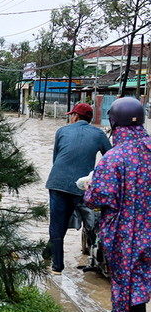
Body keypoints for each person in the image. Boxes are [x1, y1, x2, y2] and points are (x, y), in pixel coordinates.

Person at [84, 97, 151, 312]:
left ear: (114, 123)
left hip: (128, 231)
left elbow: (95, 198)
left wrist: (89, 187)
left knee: (129, 277)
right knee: (141, 277)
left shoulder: (115, 157)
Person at [45, 102, 112, 275]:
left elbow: (56, 158)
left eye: (71, 115)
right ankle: (48, 253)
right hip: (80, 186)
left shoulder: (62, 131)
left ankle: (57, 266)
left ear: (75, 116)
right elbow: (111, 159)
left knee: (57, 223)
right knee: (63, 222)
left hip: (57, 182)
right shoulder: (99, 133)